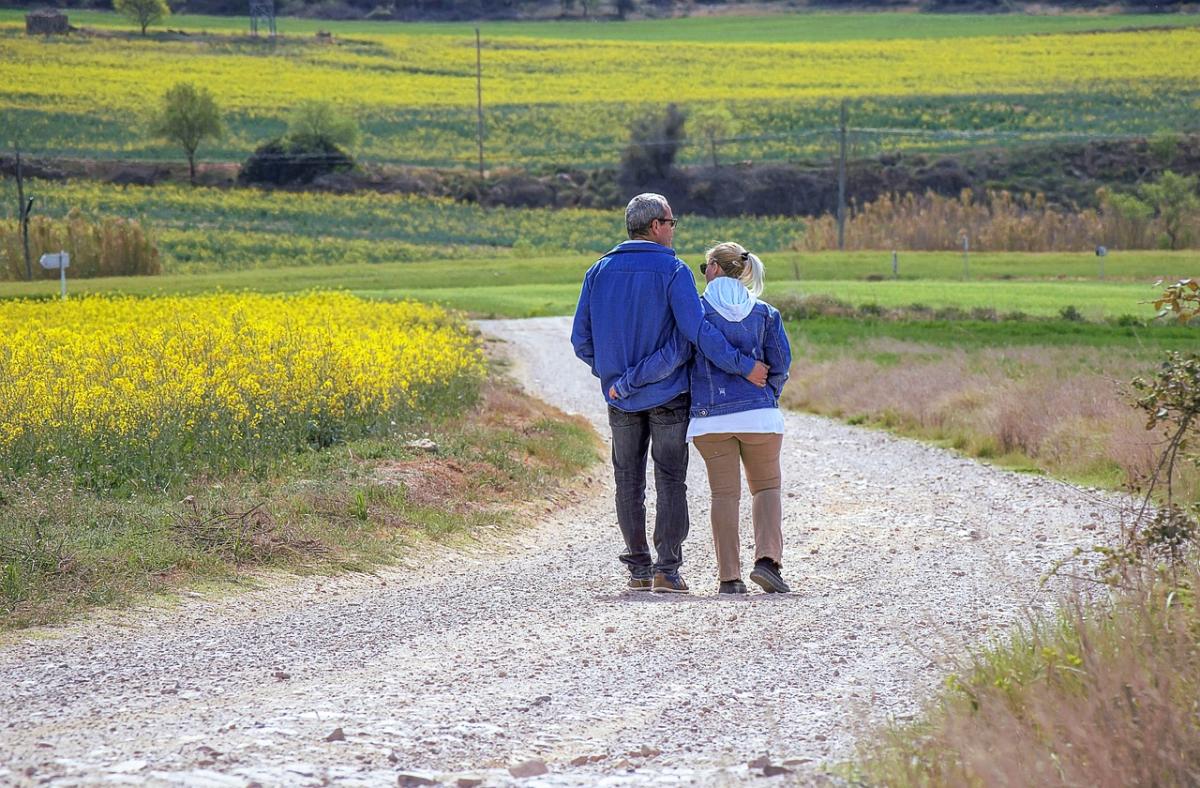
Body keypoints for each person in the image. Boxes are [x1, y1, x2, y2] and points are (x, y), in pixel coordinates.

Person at [571, 194, 769, 595]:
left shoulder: (598, 271)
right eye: (672, 221)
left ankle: (638, 569)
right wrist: (742, 365)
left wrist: (614, 376)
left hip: (619, 398)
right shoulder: (674, 271)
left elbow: (581, 340)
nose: (674, 228)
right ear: (657, 225)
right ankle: (668, 570)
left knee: (627, 481)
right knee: (670, 480)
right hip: (669, 395)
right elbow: (694, 334)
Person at [610, 242, 792, 595]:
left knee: (725, 496)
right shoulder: (766, 314)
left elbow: (671, 357)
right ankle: (768, 562)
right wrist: (767, 397)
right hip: (760, 418)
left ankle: (729, 578)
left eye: (704, 267)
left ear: (714, 269)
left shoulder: (697, 315)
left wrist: (628, 383)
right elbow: (781, 364)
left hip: (712, 422)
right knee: (767, 488)